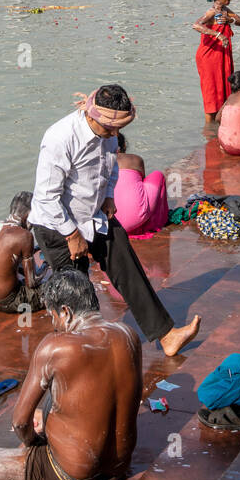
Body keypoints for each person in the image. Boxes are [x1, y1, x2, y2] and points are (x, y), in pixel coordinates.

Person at [0, 270, 141, 480]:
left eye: (52, 316)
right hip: (118, 469)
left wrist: (33, 443)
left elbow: (19, 422)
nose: (54, 325)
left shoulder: (55, 347)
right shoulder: (128, 335)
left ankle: (19, 477)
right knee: (56, 396)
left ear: (65, 312)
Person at [30, 85, 199, 356]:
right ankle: (76, 354)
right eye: (111, 129)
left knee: (129, 269)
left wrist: (108, 196)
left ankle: (166, 335)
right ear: (93, 117)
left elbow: (110, 169)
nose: (115, 136)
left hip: (95, 215)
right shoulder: (60, 138)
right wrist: (72, 235)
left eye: (118, 129)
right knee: (76, 291)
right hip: (57, 225)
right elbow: (46, 197)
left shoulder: (109, 134)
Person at [0, 192, 44, 314]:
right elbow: (31, 283)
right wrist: (45, 267)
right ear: (29, 215)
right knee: (54, 286)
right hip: (8, 303)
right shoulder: (24, 236)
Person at [193, 0, 240, 122]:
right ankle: (209, 129)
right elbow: (196, 25)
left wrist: (230, 19)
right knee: (211, 92)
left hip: (222, 56)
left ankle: (221, 124)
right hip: (209, 56)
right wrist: (218, 35)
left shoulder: (225, 10)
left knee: (224, 88)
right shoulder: (211, 12)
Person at [113, 132, 169, 238]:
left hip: (110, 223)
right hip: (136, 219)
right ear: (124, 145)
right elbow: (142, 183)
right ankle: (155, 222)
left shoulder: (100, 161)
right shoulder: (135, 159)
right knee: (158, 175)